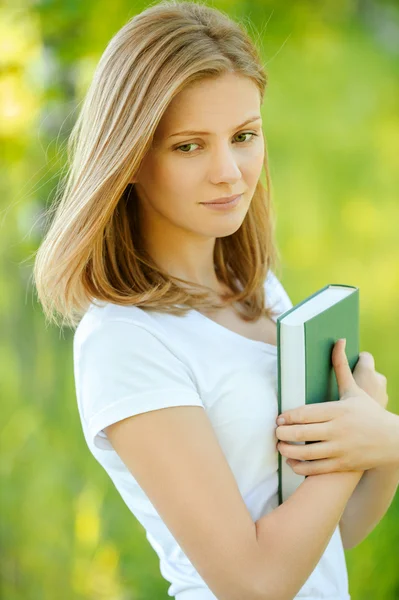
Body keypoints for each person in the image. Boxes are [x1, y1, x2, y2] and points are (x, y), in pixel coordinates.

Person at [33, 1, 399, 599]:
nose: (229, 172)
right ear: (128, 158)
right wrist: (371, 442)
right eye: (189, 146)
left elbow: (332, 534)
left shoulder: (256, 291)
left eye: (243, 136)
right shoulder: (126, 340)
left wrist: (378, 449)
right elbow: (252, 583)